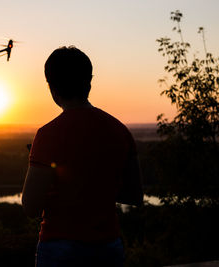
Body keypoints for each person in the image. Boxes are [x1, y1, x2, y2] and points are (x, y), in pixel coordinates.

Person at [21, 46, 143, 267]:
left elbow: (30, 208)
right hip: (108, 248)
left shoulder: (48, 135)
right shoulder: (119, 130)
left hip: (60, 249)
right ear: (89, 83)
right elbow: (134, 194)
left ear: (52, 88)